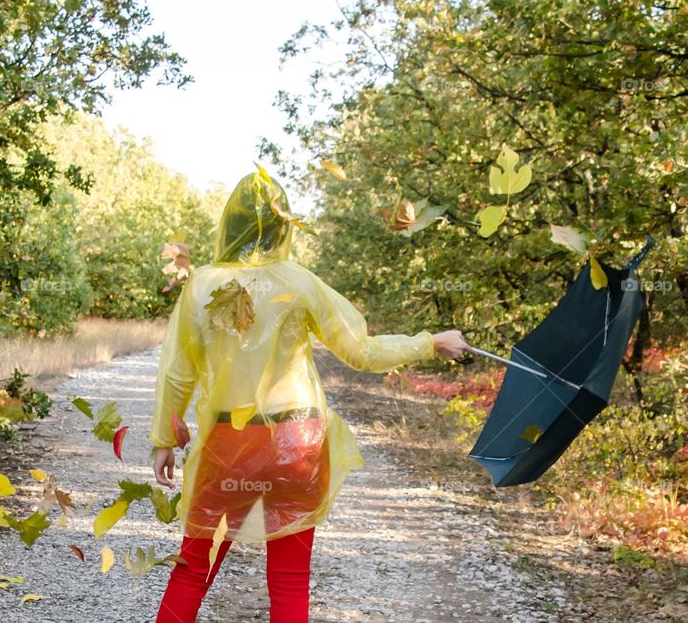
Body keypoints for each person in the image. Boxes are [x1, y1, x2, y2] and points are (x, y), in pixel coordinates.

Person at [151, 168, 468, 622]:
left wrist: (164, 438)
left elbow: (177, 373)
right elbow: (360, 351)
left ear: (229, 223)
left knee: (192, 570)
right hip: (297, 443)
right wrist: (431, 341)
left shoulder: (201, 285)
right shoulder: (300, 282)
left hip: (229, 445)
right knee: (290, 580)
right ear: (284, 225)